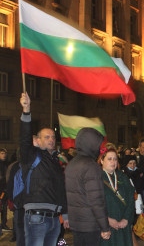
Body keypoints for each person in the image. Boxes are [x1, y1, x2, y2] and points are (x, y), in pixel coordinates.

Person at [19, 92, 69, 246]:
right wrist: (26, 110)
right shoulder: (31, 155)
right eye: (47, 137)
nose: (51, 140)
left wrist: (65, 214)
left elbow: (61, 188)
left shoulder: (55, 160)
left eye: (53, 137)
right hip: (36, 216)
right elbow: (25, 138)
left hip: (54, 218)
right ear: (37, 140)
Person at [64, 128, 111, 245]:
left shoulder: (71, 164)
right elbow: (96, 200)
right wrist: (104, 226)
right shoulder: (91, 166)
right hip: (90, 224)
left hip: (76, 222)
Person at [100, 148, 136, 245]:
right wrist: (106, 220)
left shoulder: (123, 176)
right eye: (109, 159)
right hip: (107, 226)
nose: (113, 162)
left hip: (123, 225)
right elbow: (94, 204)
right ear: (102, 160)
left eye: (115, 159)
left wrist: (126, 218)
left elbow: (131, 199)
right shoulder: (96, 178)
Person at [0, 148, 9, 232]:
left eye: (5, 153)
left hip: (4, 190)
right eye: (2, 153)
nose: (4, 155)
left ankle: (3, 223)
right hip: (1, 189)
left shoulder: (6, 164)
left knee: (4, 207)